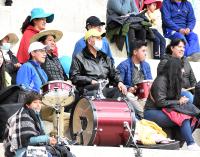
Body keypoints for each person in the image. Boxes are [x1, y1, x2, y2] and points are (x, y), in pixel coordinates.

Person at [144, 57, 200, 150]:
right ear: (175, 69)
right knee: (183, 118)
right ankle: (191, 144)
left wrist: (181, 99)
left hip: (166, 109)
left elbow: (172, 99)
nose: (183, 71)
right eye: (181, 68)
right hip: (152, 111)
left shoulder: (175, 80)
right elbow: (160, 102)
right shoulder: (161, 80)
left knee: (194, 115)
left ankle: (179, 143)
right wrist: (178, 101)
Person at [70, 28, 127, 98]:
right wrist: (90, 81)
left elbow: (114, 72)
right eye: (98, 38)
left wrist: (120, 82)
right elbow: (74, 77)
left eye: (101, 38)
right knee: (97, 88)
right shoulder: (79, 57)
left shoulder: (105, 57)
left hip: (104, 88)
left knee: (121, 90)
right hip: (88, 89)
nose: (101, 41)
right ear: (89, 40)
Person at [3, 92, 57, 157]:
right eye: (35, 102)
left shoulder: (36, 116)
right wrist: (47, 139)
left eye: (40, 102)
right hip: (19, 153)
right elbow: (26, 140)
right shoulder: (22, 116)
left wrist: (49, 140)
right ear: (27, 105)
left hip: (31, 150)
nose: (38, 105)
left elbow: (41, 136)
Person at [117, 40, 152, 118]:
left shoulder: (146, 65)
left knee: (149, 96)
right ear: (135, 52)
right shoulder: (123, 65)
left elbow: (149, 82)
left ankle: (141, 114)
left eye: (146, 51)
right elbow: (118, 82)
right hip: (131, 96)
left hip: (143, 96)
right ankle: (145, 115)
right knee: (128, 96)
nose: (145, 53)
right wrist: (129, 88)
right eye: (143, 51)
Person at [157, 39, 196, 103]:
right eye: (179, 47)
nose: (182, 49)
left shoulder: (186, 61)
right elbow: (162, 83)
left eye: (183, 47)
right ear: (172, 48)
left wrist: (196, 92)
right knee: (190, 98)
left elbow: (192, 80)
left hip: (189, 91)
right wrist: (179, 89)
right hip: (176, 93)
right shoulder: (165, 62)